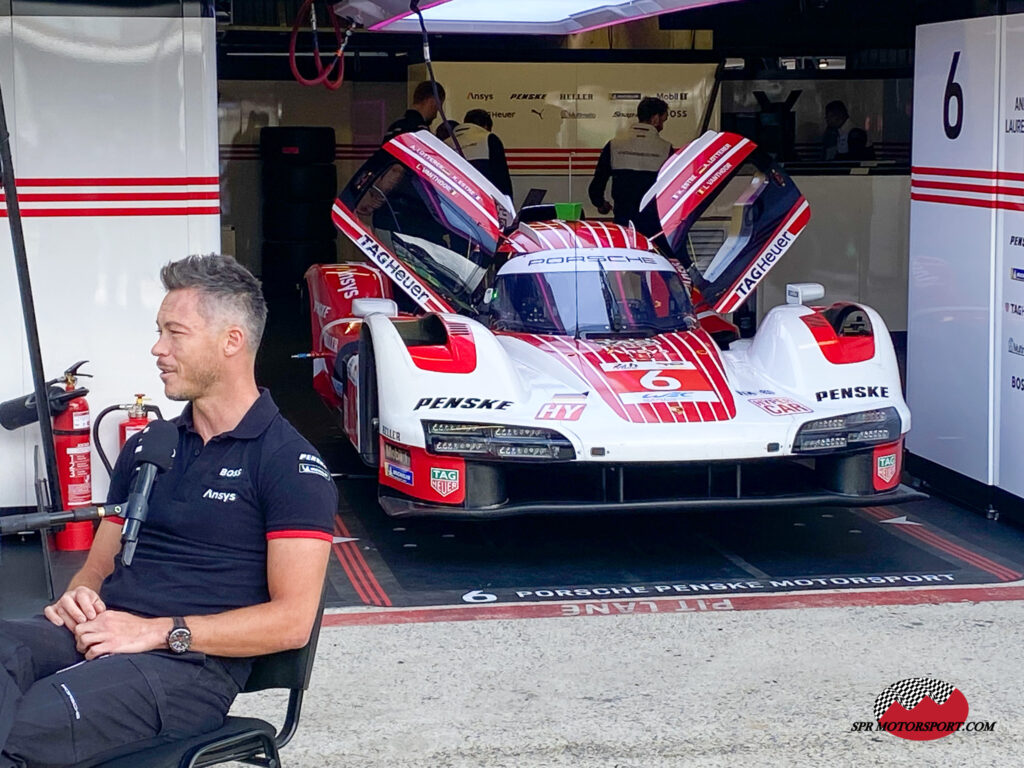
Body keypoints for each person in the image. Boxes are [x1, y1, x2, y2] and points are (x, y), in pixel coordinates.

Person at [0, 254, 337, 767]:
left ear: (231, 342)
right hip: (101, 634)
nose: (157, 348)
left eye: (174, 333)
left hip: (186, 668)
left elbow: (291, 622)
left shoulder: (288, 463)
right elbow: (93, 572)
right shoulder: (149, 447)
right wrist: (79, 600)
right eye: (159, 331)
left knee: (20, 733)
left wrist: (154, 631)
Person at [588, 97, 673, 229]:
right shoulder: (666, 149)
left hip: (623, 219)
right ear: (655, 119)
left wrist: (600, 204)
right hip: (652, 220)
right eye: (663, 120)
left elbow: (597, 184)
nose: (662, 126)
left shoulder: (614, 145)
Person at [445, 109, 514, 198]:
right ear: (486, 126)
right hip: (486, 200)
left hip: (456, 200)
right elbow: (502, 180)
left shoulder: (446, 143)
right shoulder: (489, 138)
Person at [382, 80, 446, 144]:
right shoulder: (420, 130)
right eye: (438, 108)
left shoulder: (393, 128)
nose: (435, 116)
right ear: (432, 102)